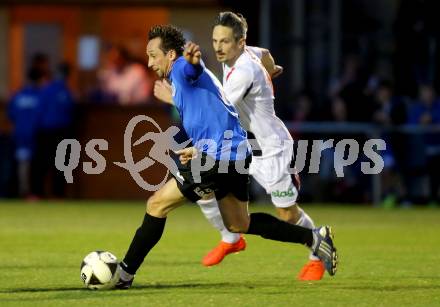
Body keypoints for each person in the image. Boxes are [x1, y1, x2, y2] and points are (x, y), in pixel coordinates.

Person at [116, 24, 338, 289]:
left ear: (171, 55)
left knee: (157, 205)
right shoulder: (190, 81)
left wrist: (192, 63)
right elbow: (214, 112)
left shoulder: (182, 71)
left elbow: (191, 70)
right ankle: (314, 238)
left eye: (154, 55)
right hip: (235, 154)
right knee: (238, 223)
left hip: (217, 158)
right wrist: (197, 145)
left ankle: (124, 275)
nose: (150, 62)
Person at [31, 62, 75, 199]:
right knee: (55, 164)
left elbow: (38, 111)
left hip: (50, 131)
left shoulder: (49, 89)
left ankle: (41, 194)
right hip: (54, 131)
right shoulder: (62, 90)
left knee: (48, 164)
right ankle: (53, 194)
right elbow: (70, 110)